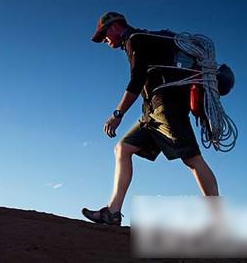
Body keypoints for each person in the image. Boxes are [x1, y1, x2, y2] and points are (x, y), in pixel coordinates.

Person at [81, 12, 220, 226]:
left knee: (192, 159)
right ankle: (113, 212)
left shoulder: (135, 40)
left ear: (115, 27)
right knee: (123, 148)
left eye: (104, 34)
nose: (105, 40)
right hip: (152, 112)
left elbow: (137, 81)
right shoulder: (137, 41)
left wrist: (117, 115)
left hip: (167, 107)